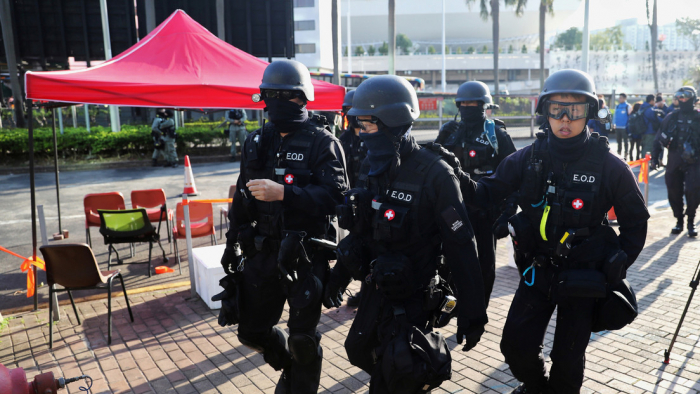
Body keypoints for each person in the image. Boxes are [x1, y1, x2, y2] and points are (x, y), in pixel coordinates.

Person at [464, 69, 648, 394]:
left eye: (575, 111)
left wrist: (620, 261)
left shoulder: (610, 166)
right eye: (557, 110)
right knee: (515, 348)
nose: (565, 119)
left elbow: (636, 221)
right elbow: (485, 192)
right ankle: (535, 387)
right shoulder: (527, 158)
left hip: (585, 276)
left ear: (589, 112)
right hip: (538, 271)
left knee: (568, 359)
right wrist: (450, 173)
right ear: (544, 111)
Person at [324, 75, 487, 393]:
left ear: (391, 122)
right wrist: (338, 278)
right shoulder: (372, 167)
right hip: (377, 289)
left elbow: (462, 246)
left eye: (367, 125)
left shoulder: (436, 173)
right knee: (359, 349)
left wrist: (473, 313)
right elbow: (361, 232)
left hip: (416, 297)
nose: (361, 133)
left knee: (398, 372)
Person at [215, 59, 348, 393]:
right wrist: (231, 246)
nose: (276, 103)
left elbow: (337, 199)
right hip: (262, 252)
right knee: (250, 332)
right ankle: (287, 364)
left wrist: (286, 194)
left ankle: (298, 382)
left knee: (303, 340)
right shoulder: (256, 142)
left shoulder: (323, 142)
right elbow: (242, 200)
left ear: (303, 98)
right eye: (270, 95)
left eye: (285, 96)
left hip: (305, 253)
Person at [435, 80, 517, 304]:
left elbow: (515, 176)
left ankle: (478, 310)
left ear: (484, 105)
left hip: (485, 211)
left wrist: (508, 213)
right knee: (449, 259)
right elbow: (433, 167)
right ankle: (452, 304)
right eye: (464, 103)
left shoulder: (497, 134)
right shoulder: (449, 132)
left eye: (474, 103)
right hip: (453, 209)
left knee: (484, 267)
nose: (468, 107)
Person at [652, 86, 700, 237]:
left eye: (686, 96)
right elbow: (658, 139)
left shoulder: (698, 117)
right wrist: (655, 157)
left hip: (695, 160)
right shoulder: (671, 117)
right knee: (673, 190)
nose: (683, 99)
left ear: (693, 98)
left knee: (693, 191)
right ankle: (679, 220)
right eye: (680, 96)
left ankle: (691, 221)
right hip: (674, 159)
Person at [338, 89, 367, 308]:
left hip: (369, 202)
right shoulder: (342, 139)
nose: (350, 114)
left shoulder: (373, 137)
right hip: (350, 203)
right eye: (347, 110)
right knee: (353, 247)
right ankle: (354, 287)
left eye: (353, 109)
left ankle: (368, 292)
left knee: (370, 248)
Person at [613, 93, 632, 160]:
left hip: (625, 128)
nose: (619, 99)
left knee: (626, 142)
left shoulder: (628, 106)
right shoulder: (617, 106)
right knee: (618, 142)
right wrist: (613, 123)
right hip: (618, 127)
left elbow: (630, 117)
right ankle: (619, 155)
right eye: (619, 97)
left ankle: (626, 155)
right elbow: (615, 116)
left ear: (624, 98)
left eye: (621, 98)